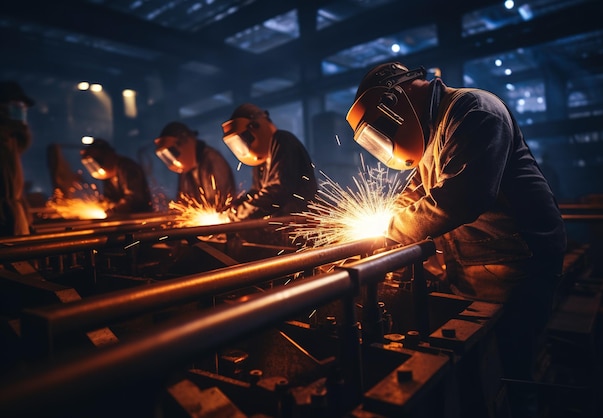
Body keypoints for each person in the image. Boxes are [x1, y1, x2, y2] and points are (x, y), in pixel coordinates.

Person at [346, 62, 567, 417]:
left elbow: (464, 196)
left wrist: (390, 229)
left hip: (521, 262)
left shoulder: (474, 111)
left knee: (513, 371)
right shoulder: (433, 132)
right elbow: (415, 196)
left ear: (394, 100)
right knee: (483, 370)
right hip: (477, 266)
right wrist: (381, 228)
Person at [221, 103, 317, 221]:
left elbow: (277, 191)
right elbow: (257, 193)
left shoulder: (282, 141)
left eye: (244, 138)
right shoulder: (261, 159)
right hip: (279, 223)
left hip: (298, 223)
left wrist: (236, 214)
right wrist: (236, 205)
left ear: (256, 127)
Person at [154, 121, 235, 211]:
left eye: (171, 152)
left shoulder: (212, 160)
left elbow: (221, 200)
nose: (173, 161)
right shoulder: (185, 170)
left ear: (185, 142)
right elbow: (183, 201)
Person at [80, 138, 153, 215]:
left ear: (109, 155)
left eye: (98, 160)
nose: (97, 166)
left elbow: (134, 198)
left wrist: (114, 210)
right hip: (123, 219)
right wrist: (102, 206)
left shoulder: (127, 167)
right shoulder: (108, 174)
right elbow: (108, 199)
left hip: (138, 218)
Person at [0, 81, 35, 236]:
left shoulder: (11, 142)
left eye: (23, 106)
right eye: (16, 104)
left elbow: (16, 194)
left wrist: (27, 220)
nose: (21, 110)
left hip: (13, 220)